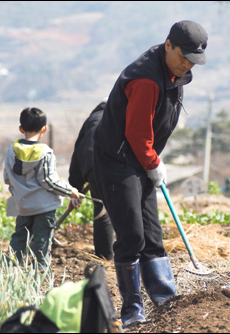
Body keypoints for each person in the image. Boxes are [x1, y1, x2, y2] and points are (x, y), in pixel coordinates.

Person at [92, 20, 208, 328]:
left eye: (194, 60)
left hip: (140, 158)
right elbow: (136, 133)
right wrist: (153, 163)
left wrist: (151, 161)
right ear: (168, 44)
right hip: (117, 160)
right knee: (131, 235)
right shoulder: (146, 79)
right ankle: (132, 308)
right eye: (183, 56)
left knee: (152, 234)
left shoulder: (173, 72)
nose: (187, 64)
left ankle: (165, 298)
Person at [4, 107, 82, 270]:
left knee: (19, 237)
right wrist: (70, 191)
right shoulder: (45, 152)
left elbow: (6, 177)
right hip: (44, 208)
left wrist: (18, 192)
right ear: (44, 129)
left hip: (23, 206)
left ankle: (11, 268)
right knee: (42, 240)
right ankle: (40, 272)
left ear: (21, 129)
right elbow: (48, 180)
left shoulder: (12, 150)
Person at [68, 99, 114, 261]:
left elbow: (78, 152)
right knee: (124, 207)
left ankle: (105, 256)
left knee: (102, 208)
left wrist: (76, 187)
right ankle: (129, 254)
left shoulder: (92, 119)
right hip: (112, 161)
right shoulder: (119, 114)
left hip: (91, 165)